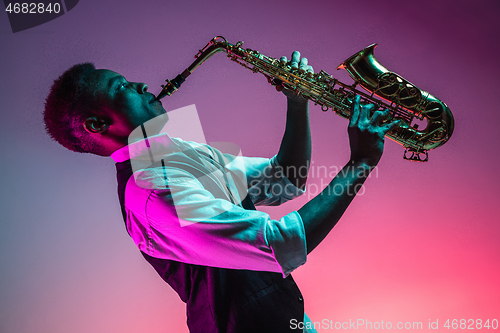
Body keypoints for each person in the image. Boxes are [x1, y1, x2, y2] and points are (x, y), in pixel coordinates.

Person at [43, 51, 400, 333]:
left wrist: (298, 99)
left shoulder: (175, 152)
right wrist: (361, 163)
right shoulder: (152, 192)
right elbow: (282, 243)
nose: (139, 84)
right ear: (97, 125)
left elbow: (286, 177)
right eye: (120, 87)